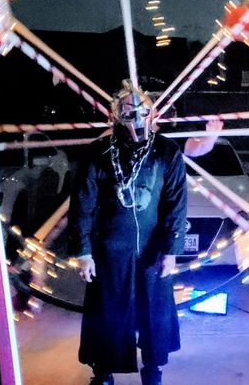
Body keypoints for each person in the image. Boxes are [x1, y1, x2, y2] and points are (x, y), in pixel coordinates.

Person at [69, 81, 187, 385]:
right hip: (109, 253)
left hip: (152, 252)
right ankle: (103, 372)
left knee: (154, 313)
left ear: (152, 113)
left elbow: (175, 204)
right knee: (109, 313)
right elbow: (82, 205)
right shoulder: (98, 153)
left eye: (142, 110)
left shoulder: (167, 152)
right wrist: (83, 252)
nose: (135, 116)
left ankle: (153, 371)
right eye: (127, 110)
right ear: (115, 115)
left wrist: (171, 250)